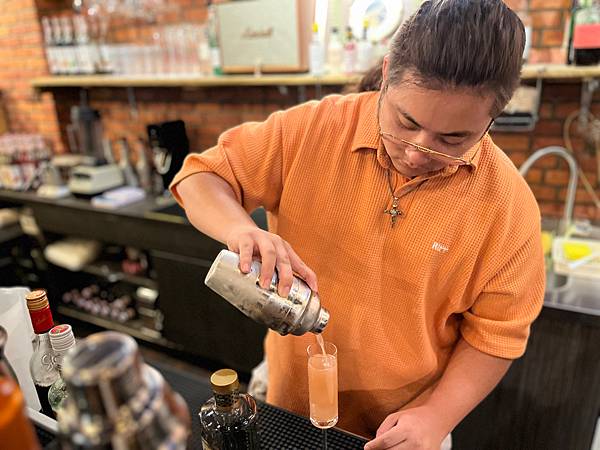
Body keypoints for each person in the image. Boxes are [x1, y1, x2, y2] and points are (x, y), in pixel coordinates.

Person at [170, 1, 545, 448]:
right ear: (387, 74)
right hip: (290, 397)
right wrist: (241, 230)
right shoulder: (312, 129)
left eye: (453, 139)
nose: (417, 152)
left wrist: (435, 417)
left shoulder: (507, 207)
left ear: (492, 119)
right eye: (406, 121)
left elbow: (497, 336)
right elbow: (199, 177)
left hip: (410, 423)